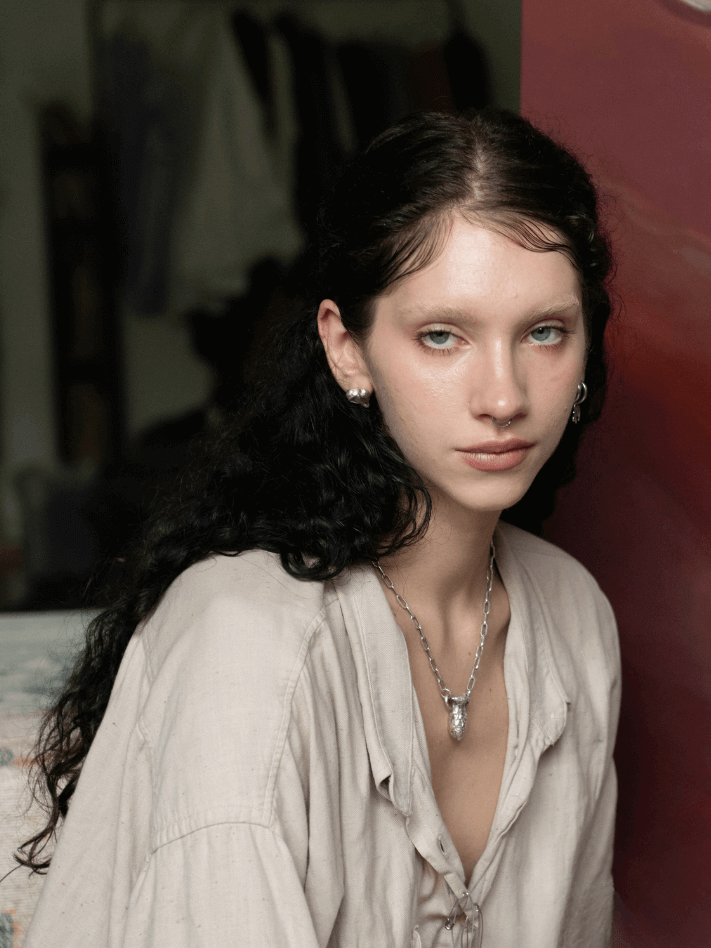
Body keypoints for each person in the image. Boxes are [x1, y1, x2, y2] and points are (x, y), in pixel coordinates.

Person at [22, 109, 620, 948]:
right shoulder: (243, 640)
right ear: (346, 349)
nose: (504, 395)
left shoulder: (575, 618)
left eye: (544, 332)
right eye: (441, 336)